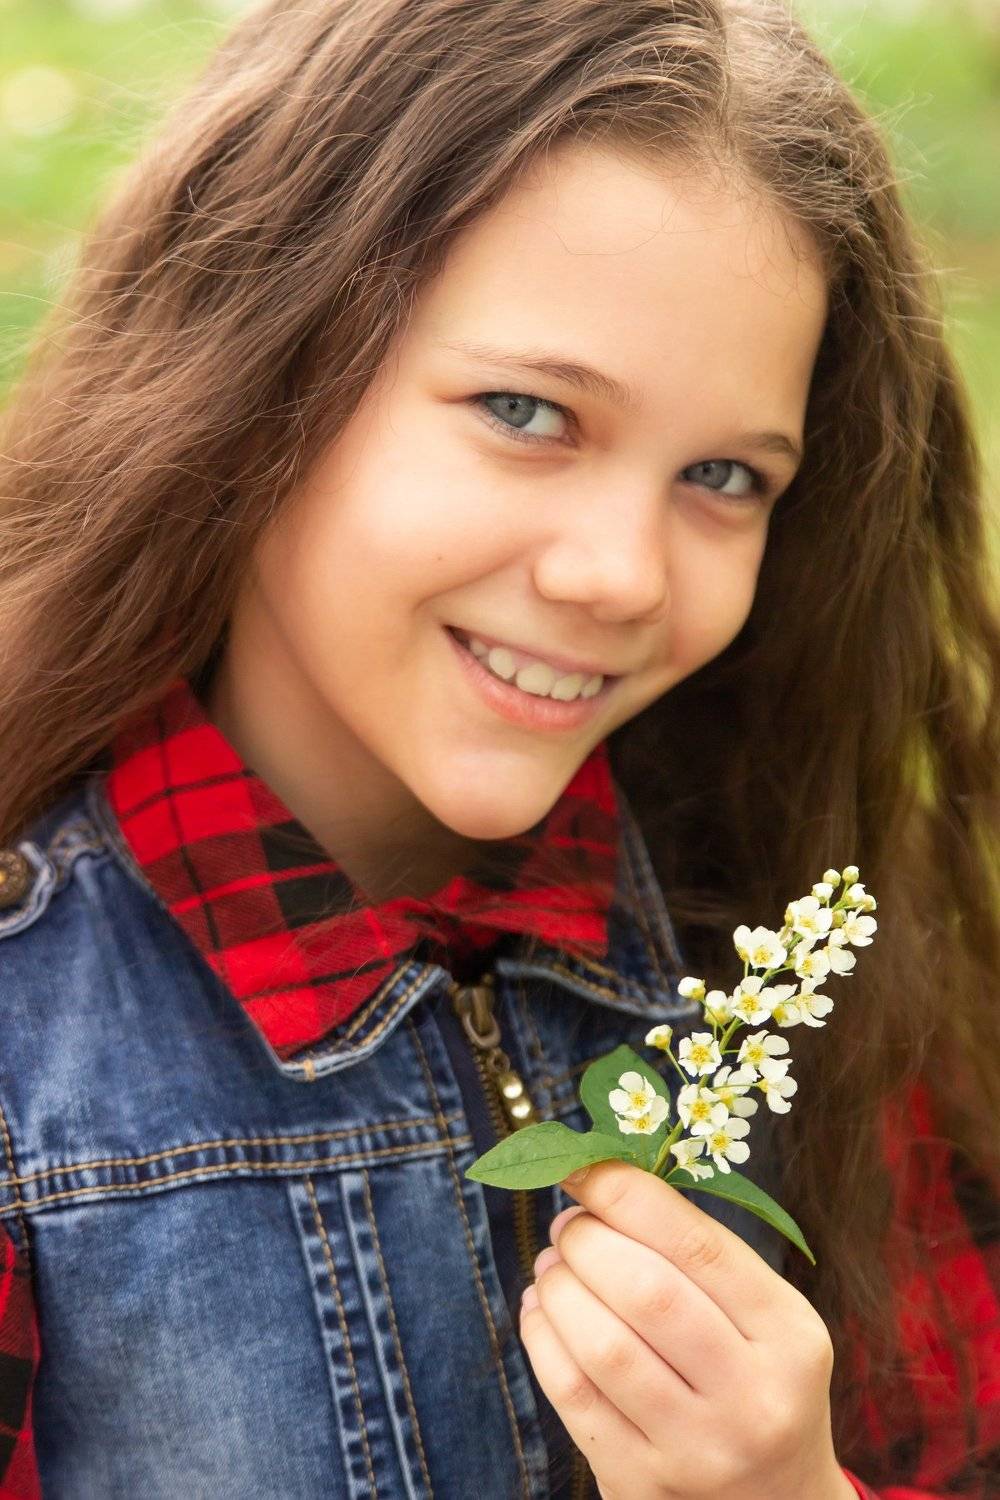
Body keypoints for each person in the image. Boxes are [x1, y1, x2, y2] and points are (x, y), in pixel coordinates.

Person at [0, 0, 997, 1494]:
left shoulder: (817, 978)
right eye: (526, 411)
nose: (623, 575)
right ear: (255, 368)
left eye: (725, 476)